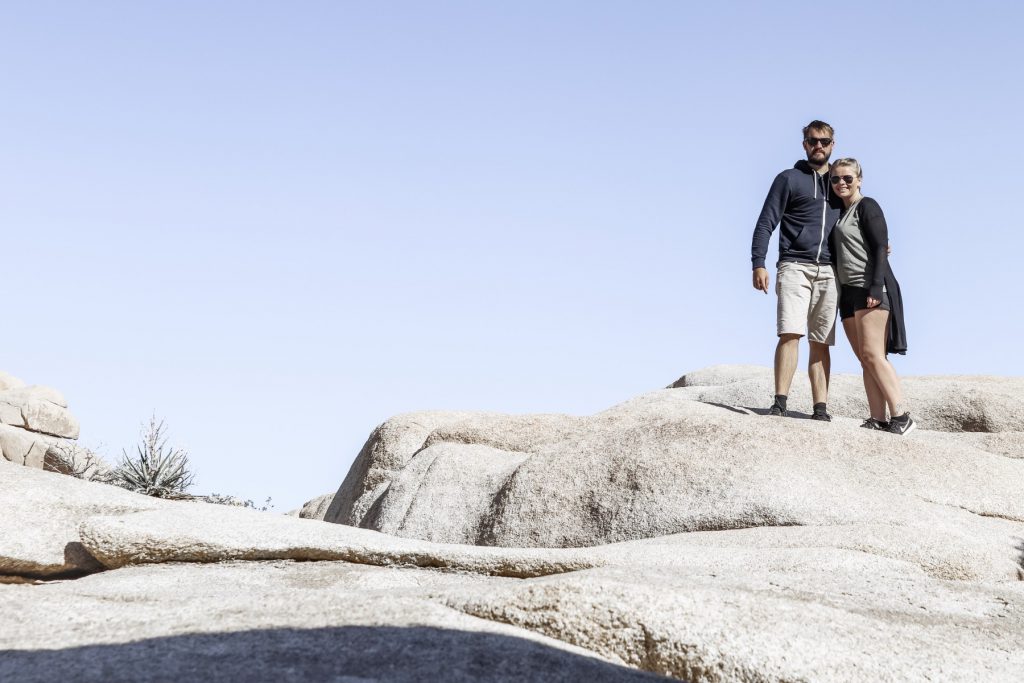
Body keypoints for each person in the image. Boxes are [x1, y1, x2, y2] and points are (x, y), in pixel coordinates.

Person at [751, 120, 842, 420]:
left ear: (833, 144)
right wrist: (758, 263)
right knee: (790, 332)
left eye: (824, 141)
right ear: (804, 144)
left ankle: (820, 408)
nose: (819, 146)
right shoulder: (788, 179)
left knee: (821, 341)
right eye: (813, 141)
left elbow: (857, 221)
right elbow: (766, 221)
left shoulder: (840, 182)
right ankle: (780, 402)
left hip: (829, 270)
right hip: (794, 265)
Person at [827, 158, 913, 434]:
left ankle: (902, 415)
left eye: (848, 178)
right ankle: (878, 418)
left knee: (874, 354)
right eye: (836, 179)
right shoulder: (838, 212)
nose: (842, 183)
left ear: (859, 180)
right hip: (848, 293)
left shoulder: (868, 206)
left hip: (870, 288)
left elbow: (879, 247)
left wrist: (876, 288)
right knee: (865, 358)